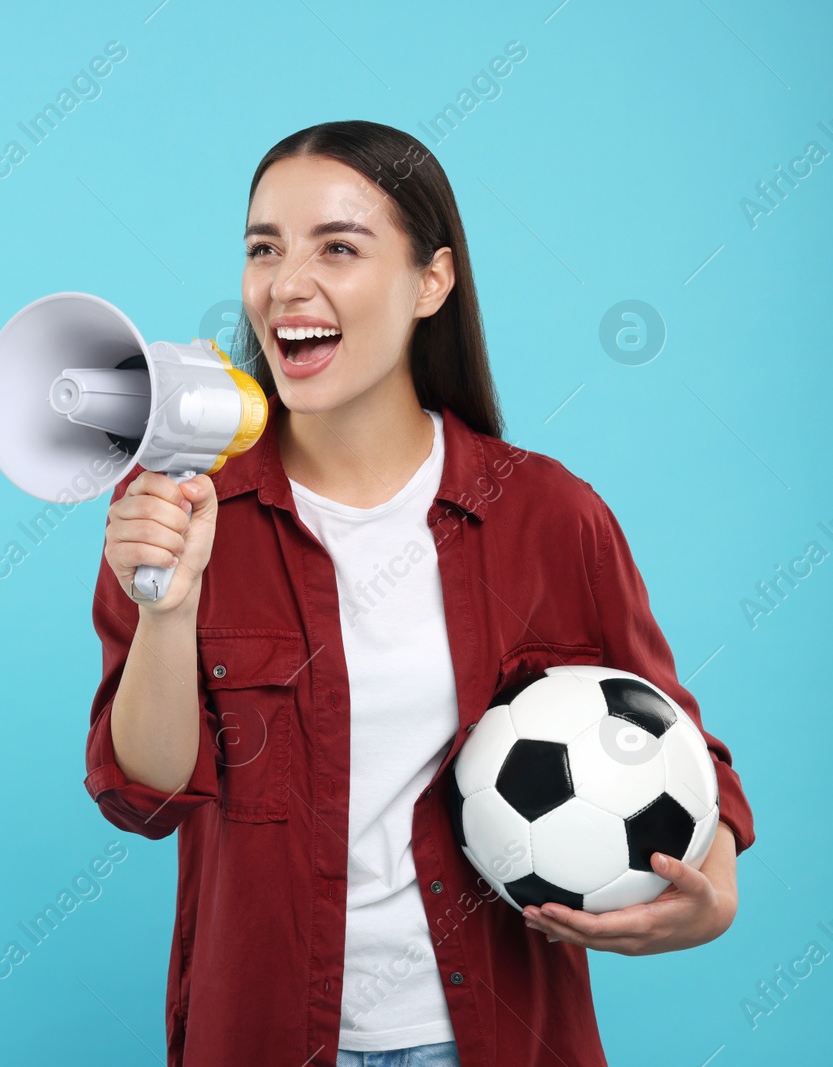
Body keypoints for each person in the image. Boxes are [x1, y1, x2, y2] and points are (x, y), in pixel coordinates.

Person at [83, 120, 755, 1067]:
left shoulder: (548, 515)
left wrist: (712, 894)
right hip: (268, 1035)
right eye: (263, 247)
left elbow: (672, 735)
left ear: (431, 281)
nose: (287, 284)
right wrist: (168, 604)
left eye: (340, 247)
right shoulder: (182, 501)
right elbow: (145, 796)